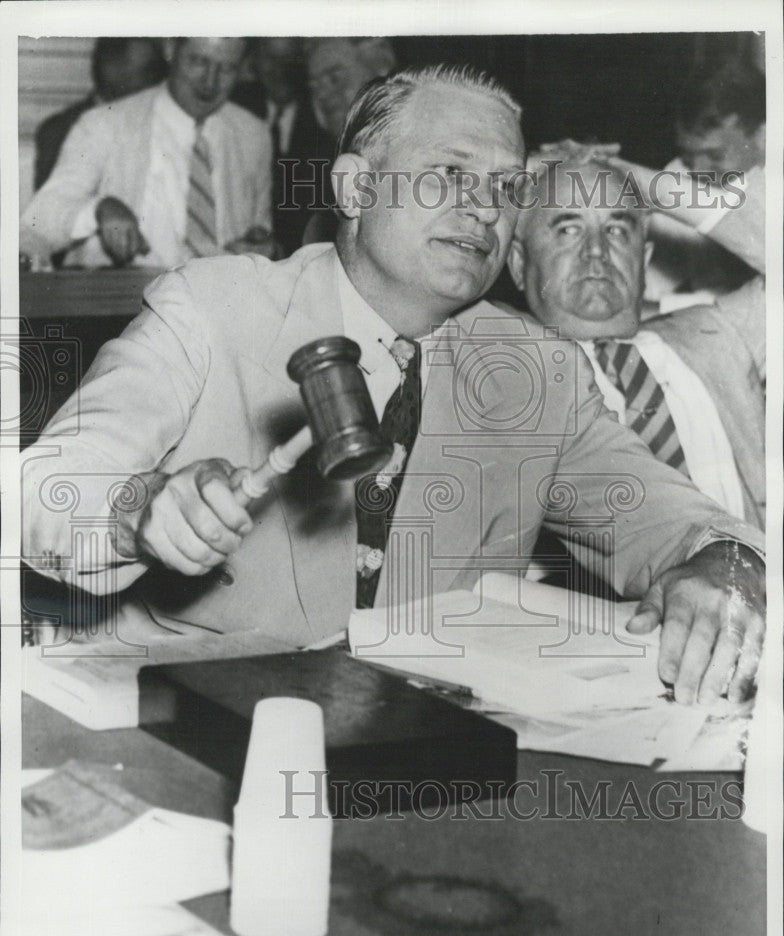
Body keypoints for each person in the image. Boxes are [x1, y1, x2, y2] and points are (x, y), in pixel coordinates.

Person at [22, 65, 765, 708]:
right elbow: (44, 489)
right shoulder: (210, 307)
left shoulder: (537, 371)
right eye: (450, 174)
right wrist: (137, 508)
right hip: (186, 728)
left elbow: (692, 528)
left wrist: (722, 570)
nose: (484, 208)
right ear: (354, 186)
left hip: (422, 760)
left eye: (507, 189)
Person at [506, 154, 765, 532]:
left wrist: (638, 178)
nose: (596, 250)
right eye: (568, 229)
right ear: (517, 263)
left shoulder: (717, 335)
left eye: (616, 230)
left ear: (643, 259)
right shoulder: (500, 380)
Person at [21, 37, 276, 269]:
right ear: (170, 49)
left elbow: (260, 228)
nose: (210, 82)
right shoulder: (103, 125)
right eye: (198, 61)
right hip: (125, 311)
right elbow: (39, 222)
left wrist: (262, 245)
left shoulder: (254, 134)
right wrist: (101, 208)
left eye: (227, 68)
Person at [645, 58, 765, 303]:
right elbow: (651, 292)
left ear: (763, 135)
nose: (698, 172)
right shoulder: (677, 175)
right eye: (689, 154)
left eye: (715, 155)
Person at [232, 37, 334, 256]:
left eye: (290, 59)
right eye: (271, 58)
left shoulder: (324, 119)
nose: (281, 70)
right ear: (255, 61)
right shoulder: (234, 107)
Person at [34, 38, 167, 191]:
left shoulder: (165, 121)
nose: (162, 80)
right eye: (150, 70)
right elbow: (53, 208)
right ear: (113, 69)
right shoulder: (59, 131)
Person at [300, 37, 398, 245]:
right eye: (314, 87)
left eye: (334, 78)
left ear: (380, 68)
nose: (323, 95)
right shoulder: (315, 169)